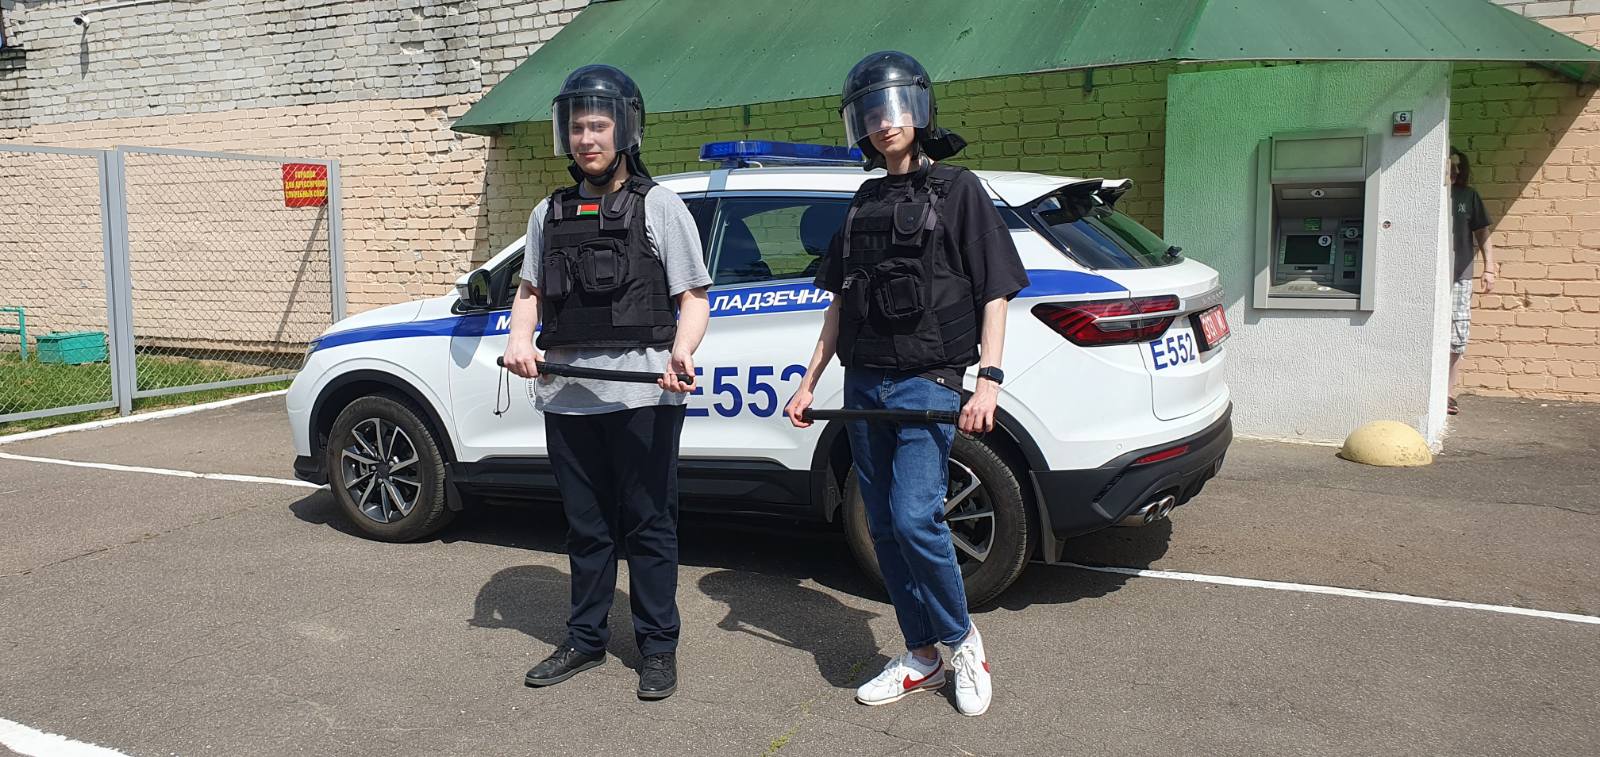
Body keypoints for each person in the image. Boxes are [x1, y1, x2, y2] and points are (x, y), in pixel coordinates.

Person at [782, 51, 1029, 718]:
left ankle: (963, 642)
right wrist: (809, 383)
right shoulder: (863, 201)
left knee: (917, 516)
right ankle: (921, 653)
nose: (884, 121)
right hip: (865, 382)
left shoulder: (959, 189)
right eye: (871, 111)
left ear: (919, 110)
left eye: (894, 107)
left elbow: (996, 291)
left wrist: (988, 381)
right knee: (884, 524)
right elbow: (839, 302)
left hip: (928, 378)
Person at [503, 64, 712, 701]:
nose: (586, 138)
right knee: (586, 527)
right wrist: (519, 339)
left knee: (649, 524)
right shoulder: (549, 212)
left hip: (643, 394)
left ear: (625, 130)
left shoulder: (660, 205)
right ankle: (585, 639)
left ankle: (658, 647)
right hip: (568, 395)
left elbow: (694, 297)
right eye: (576, 127)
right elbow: (530, 292)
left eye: (598, 125)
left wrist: (680, 352)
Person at [1448, 147, 1496, 416]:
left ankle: (1448, 393)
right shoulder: (1429, 193)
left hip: (1460, 276)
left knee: (1457, 335)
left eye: (1458, 166)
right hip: (1430, 279)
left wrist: (1490, 268)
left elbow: (1482, 232)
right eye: (1449, 165)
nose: (1454, 171)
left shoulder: (1468, 196)